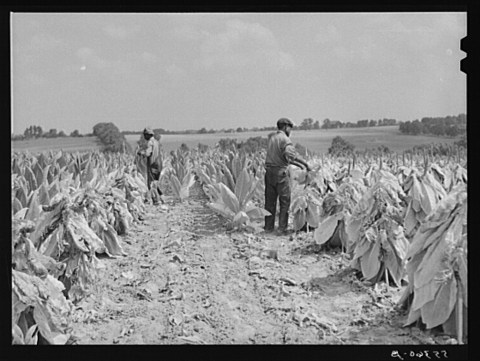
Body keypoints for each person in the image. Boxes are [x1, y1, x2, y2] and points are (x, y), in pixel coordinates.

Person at [264, 118, 311, 235]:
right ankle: (281, 228)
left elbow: (282, 158)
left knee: (270, 202)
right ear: (285, 127)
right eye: (290, 128)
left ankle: (268, 227)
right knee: (285, 201)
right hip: (280, 174)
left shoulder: (272, 138)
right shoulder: (285, 140)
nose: (291, 131)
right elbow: (291, 156)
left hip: (269, 173)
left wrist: (300, 166)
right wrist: (305, 164)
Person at [137, 127, 163, 205]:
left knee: (151, 183)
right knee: (156, 182)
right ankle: (161, 197)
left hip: (152, 164)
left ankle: (156, 200)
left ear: (148, 135)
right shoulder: (156, 142)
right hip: (158, 163)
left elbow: (148, 153)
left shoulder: (150, 143)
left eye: (145, 135)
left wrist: (141, 153)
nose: (144, 137)